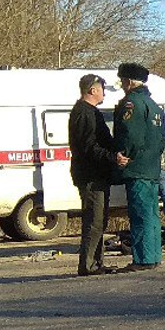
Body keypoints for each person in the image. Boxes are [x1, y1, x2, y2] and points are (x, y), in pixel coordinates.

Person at [67, 74, 128, 276]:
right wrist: (113, 158)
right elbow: (89, 147)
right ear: (92, 90)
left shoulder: (92, 112)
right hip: (90, 176)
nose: (103, 92)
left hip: (98, 174)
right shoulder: (84, 114)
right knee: (94, 221)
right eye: (101, 88)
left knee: (100, 220)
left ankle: (96, 262)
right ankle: (88, 265)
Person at [112, 62, 165, 271]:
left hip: (137, 168)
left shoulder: (131, 103)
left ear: (127, 81)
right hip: (152, 168)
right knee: (152, 214)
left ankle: (142, 259)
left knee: (140, 214)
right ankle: (153, 255)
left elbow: (130, 135)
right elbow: (163, 139)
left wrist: (125, 156)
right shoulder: (153, 105)